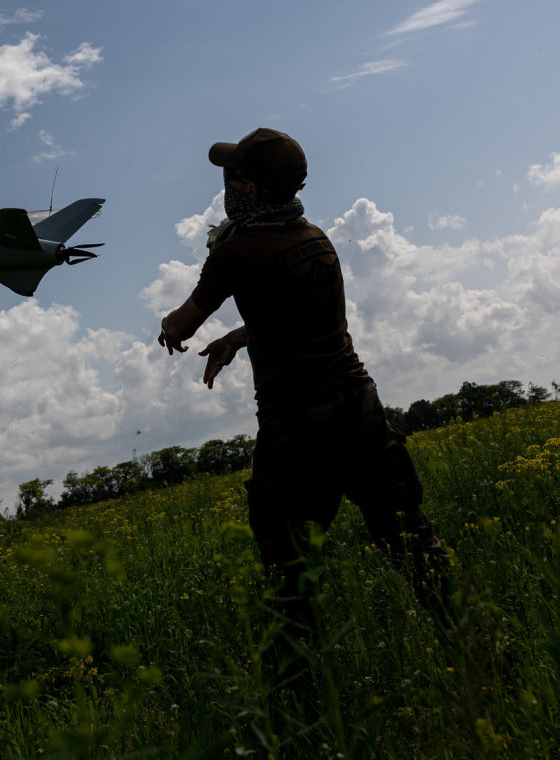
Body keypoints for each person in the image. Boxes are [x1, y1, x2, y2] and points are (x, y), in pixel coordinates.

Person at [157, 128, 451, 699]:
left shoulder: (236, 250)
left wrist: (170, 328)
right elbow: (303, 320)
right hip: (359, 407)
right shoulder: (315, 238)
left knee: (287, 567)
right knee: (412, 542)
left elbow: (184, 321)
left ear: (247, 188)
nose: (224, 188)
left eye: (229, 178)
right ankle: (481, 650)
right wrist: (242, 337)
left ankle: (299, 704)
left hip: (299, 427)